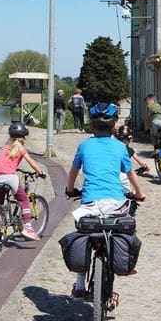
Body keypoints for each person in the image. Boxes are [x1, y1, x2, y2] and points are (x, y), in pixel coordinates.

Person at [65, 103, 146, 300]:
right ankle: (126, 263)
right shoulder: (120, 147)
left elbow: (73, 172)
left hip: (90, 205)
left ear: (92, 127)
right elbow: (131, 173)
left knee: (83, 234)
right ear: (113, 127)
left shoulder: (84, 145)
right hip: (115, 204)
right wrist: (139, 193)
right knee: (128, 225)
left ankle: (78, 284)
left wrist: (69, 190)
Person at [0, 122, 46, 241]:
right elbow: (32, 163)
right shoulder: (20, 148)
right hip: (9, 177)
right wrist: (40, 172)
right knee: (23, 199)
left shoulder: (5, 146)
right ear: (23, 137)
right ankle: (28, 227)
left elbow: (6, 163)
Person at [115, 124, 150, 194]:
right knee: (128, 195)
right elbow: (140, 162)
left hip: (110, 173)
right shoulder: (129, 150)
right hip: (122, 176)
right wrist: (145, 167)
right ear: (129, 138)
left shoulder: (113, 147)